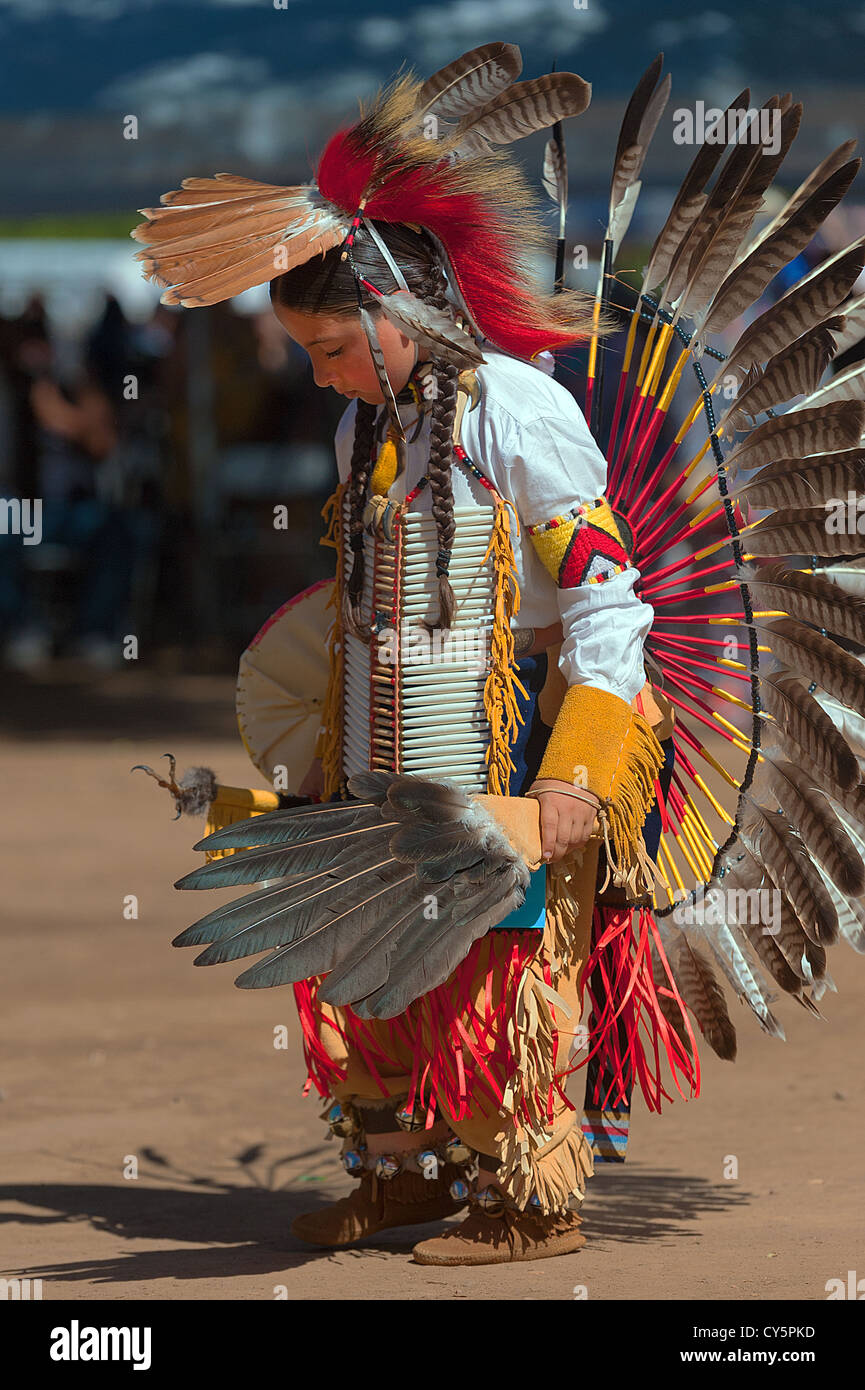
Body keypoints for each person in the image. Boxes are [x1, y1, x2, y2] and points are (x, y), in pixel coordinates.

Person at [135, 44, 865, 1268]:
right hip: (389, 725)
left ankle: (528, 1196)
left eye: (328, 347)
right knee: (361, 951)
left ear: (388, 313)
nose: (320, 374)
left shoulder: (518, 413)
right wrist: (324, 748)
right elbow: (364, 594)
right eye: (312, 357)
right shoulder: (366, 421)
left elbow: (606, 600)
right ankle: (400, 1172)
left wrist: (574, 774)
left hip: (514, 731)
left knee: (497, 957)